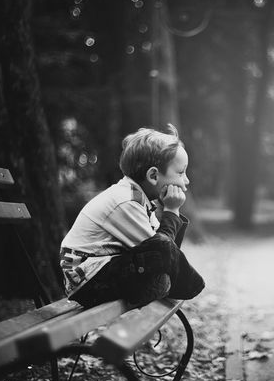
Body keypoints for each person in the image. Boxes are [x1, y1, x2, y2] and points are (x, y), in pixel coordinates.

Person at [60, 124, 204, 308]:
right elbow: (162, 251)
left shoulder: (140, 200)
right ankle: (191, 286)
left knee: (161, 265)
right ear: (153, 175)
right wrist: (171, 211)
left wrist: (170, 211)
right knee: (161, 252)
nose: (186, 180)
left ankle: (173, 286)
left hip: (104, 272)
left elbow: (167, 254)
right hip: (90, 281)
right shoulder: (126, 202)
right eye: (181, 172)